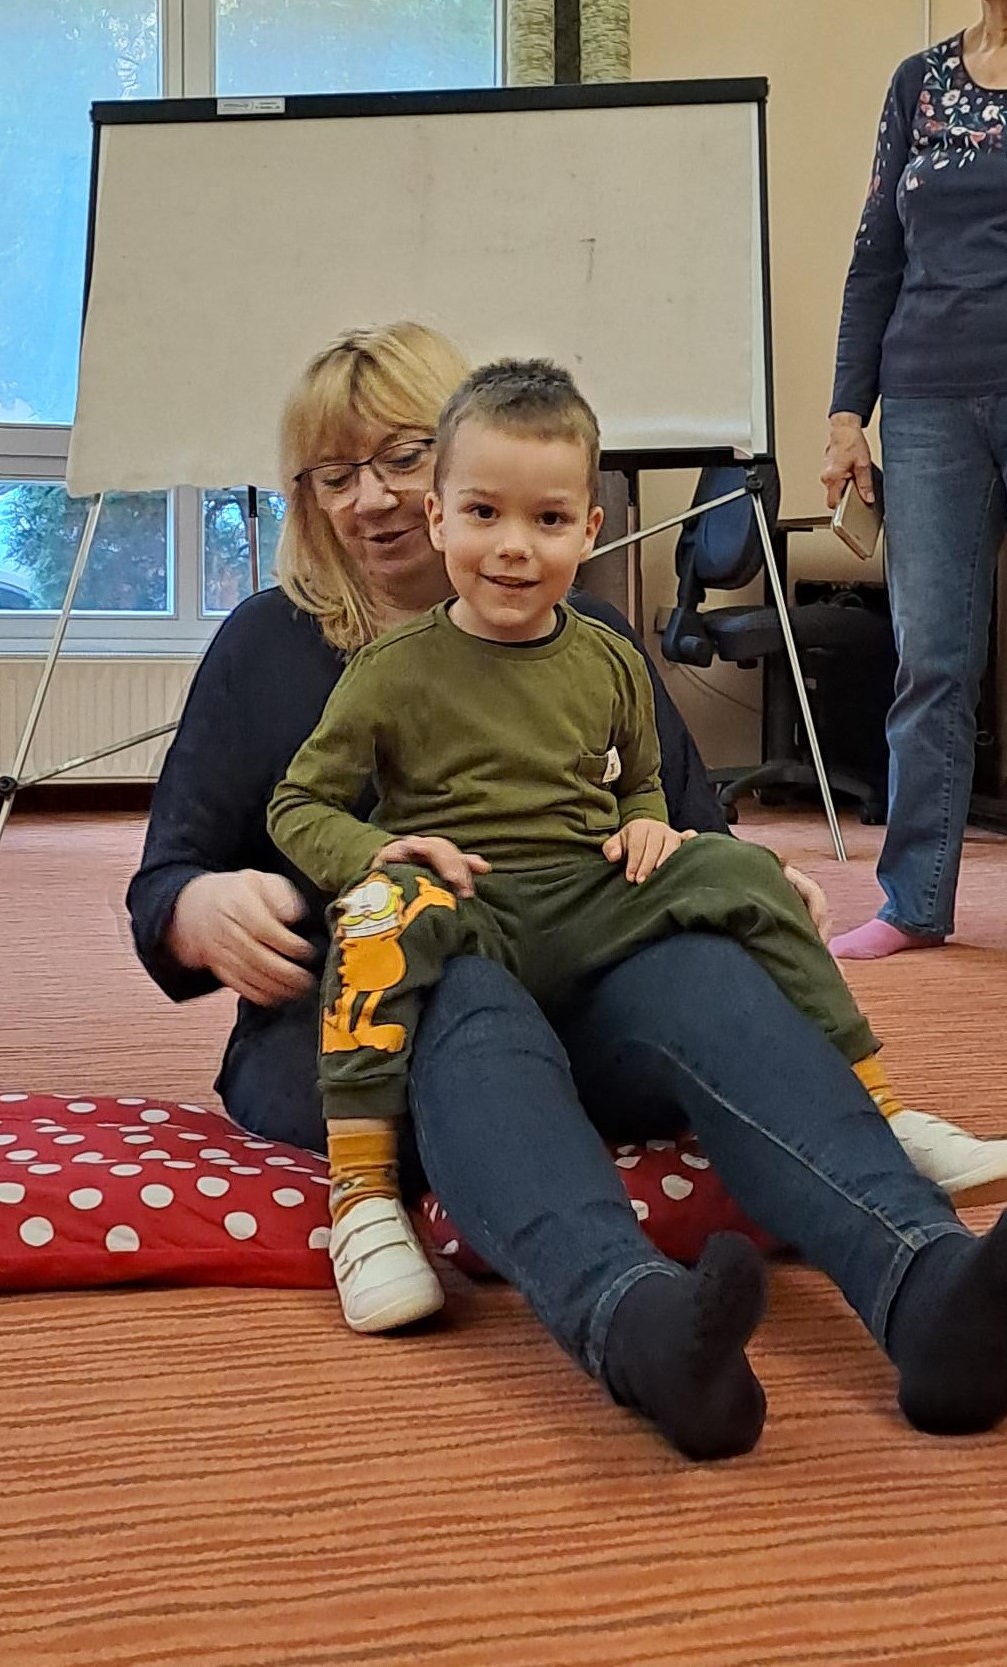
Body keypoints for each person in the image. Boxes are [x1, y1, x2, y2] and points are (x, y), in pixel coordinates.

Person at [130, 321, 1007, 1461]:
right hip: (371, 1026)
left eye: (398, 456)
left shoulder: (589, 638)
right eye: (334, 474)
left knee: (701, 966)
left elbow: (680, 819)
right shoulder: (267, 644)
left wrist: (755, 877)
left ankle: (925, 1284)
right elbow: (165, 877)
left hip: (584, 976)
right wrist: (199, 910)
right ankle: (637, 1324)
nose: (372, 498)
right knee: (464, 989)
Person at [268, 358, 919, 1336]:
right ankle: (361, 1196)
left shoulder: (610, 655)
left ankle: (879, 1104)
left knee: (744, 870)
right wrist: (374, 851)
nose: (513, 546)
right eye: (482, 513)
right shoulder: (389, 670)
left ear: (589, 529)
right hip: (467, 908)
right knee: (373, 920)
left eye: (546, 519)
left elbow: (638, 776)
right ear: (439, 518)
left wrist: (648, 820)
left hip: (586, 899)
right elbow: (298, 803)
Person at [823, 7, 1007, 960]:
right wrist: (846, 414)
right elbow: (876, 255)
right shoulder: (919, 81)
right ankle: (913, 902)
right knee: (931, 655)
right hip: (928, 397)